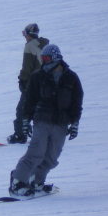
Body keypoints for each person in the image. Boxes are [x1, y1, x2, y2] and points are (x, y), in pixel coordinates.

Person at [9, 44, 83, 197]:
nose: (44, 62)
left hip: (61, 123)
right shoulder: (38, 76)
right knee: (36, 152)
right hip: (42, 120)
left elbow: (77, 102)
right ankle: (18, 182)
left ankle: (36, 182)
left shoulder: (71, 77)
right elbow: (29, 100)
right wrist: (25, 120)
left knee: (51, 156)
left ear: (56, 57)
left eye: (47, 58)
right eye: (42, 59)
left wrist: (74, 122)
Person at [7, 23, 49, 144]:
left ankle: (20, 135)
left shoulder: (30, 46)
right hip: (44, 83)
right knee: (39, 109)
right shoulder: (44, 45)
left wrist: (23, 81)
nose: (24, 37)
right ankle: (42, 134)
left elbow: (27, 68)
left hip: (33, 83)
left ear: (29, 35)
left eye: (25, 34)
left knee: (22, 109)